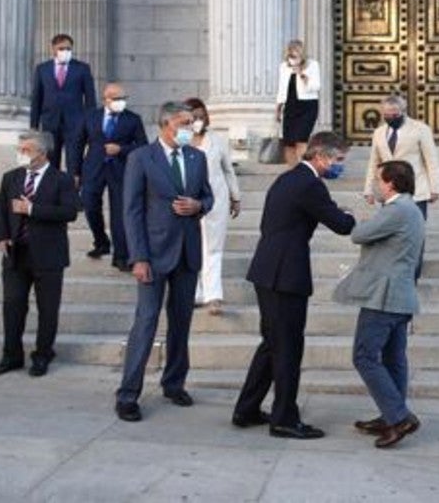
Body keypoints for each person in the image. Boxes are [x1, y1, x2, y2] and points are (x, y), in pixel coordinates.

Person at [233, 132, 356, 439]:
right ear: (321, 156)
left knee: (272, 344)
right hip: (285, 275)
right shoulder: (310, 184)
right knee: (288, 347)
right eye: (338, 159)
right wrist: (349, 216)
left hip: (268, 269)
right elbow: (341, 226)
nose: (340, 166)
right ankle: (285, 418)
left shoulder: (288, 179)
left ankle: (246, 409)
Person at [114, 102, 214, 422]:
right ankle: (128, 394)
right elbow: (131, 211)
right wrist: (138, 257)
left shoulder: (197, 157)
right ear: (165, 124)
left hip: (187, 253)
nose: (190, 127)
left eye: (192, 122)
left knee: (181, 323)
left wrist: (198, 204)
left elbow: (209, 197)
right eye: (184, 123)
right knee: (145, 322)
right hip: (153, 254)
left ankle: (174, 383)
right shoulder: (141, 157)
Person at [335, 160, 425, 449]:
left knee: (364, 356)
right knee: (394, 358)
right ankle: (391, 415)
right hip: (401, 296)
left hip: (384, 297)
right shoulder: (411, 209)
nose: (376, 184)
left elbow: (358, 235)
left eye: (379, 179)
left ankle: (399, 418)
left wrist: (352, 217)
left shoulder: (398, 210)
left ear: (391, 183)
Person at [0, 131, 81, 378]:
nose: (21, 153)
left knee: (47, 308)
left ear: (42, 152)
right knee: (13, 306)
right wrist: (2, 236)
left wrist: (32, 209)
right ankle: (11, 355)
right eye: (19, 149)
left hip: (48, 254)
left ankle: (43, 354)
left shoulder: (61, 180)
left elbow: (70, 212)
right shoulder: (11, 178)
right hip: (16, 252)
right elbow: (2, 210)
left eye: (26, 149)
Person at [362, 95, 439, 279]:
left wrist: (435, 187)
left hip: (416, 192)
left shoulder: (420, 129)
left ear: (402, 112)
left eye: (394, 114)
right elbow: (374, 161)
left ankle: (411, 279)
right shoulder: (379, 133)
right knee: (391, 237)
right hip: (389, 192)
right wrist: (368, 189)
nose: (390, 117)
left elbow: (431, 159)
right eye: (386, 115)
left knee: (415, 237)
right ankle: (393, 276)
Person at [75, 82, 148, 271]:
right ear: (105, 99)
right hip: (94, 168)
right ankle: (101, 241)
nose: (120, 102)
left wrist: (121, 149)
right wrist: (75, 172)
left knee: (120, 213)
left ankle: (122, 256)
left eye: (123, 98)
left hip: (121, 169)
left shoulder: (133, 119)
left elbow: (143, 146)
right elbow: (77, 144)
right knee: (90, 205)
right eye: (116, 99)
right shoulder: (90, 117)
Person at [186, 97, 241, 315]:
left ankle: (213, 296)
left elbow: (228, 169)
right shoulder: (181, 140)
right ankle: (196, 292)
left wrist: (235, 197)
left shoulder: (217, 140)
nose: (198, 121)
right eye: (194, 117)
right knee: (193, 248)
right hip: (188, 201)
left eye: (201, 116)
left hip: (215, 201)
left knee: (213, 248)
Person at [30, 33, 98, 174]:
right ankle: (53, 193)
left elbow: (90, 99)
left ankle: (73, 193)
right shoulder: (43, 69)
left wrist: (90, 125)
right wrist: (34, 126)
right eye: (61, 48)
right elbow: (37, 98)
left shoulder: (82, 68)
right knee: (50, 163)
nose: (65, 52)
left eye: (68, 49)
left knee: (74, 164)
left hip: (75, 124)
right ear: (53, 49)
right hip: (50, 123)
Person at [275, 39, 322, 165]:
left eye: (296, 53)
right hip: (290, 106)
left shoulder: (312, 65)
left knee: (301, 139)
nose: (293, 56)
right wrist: (278, 110)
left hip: (307, 106)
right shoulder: (284, 67)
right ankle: (293, 171)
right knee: (288, 142)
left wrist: (301, 74)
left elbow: (316, 87)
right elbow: (281, 89)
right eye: (291, 53)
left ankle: (303, 169)